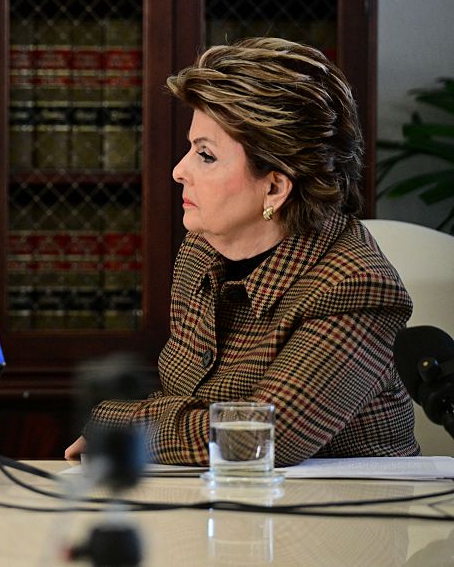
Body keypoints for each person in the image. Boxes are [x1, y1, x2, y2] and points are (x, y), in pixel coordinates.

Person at [66, 37, 418, 466]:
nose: (179, 171)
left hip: (343, 517)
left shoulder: (358, 286)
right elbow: (188, 401)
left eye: (206, 156)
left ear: (274, 186)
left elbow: (263, 436)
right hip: (225, 502)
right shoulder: (203, 246)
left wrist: (121, 424)